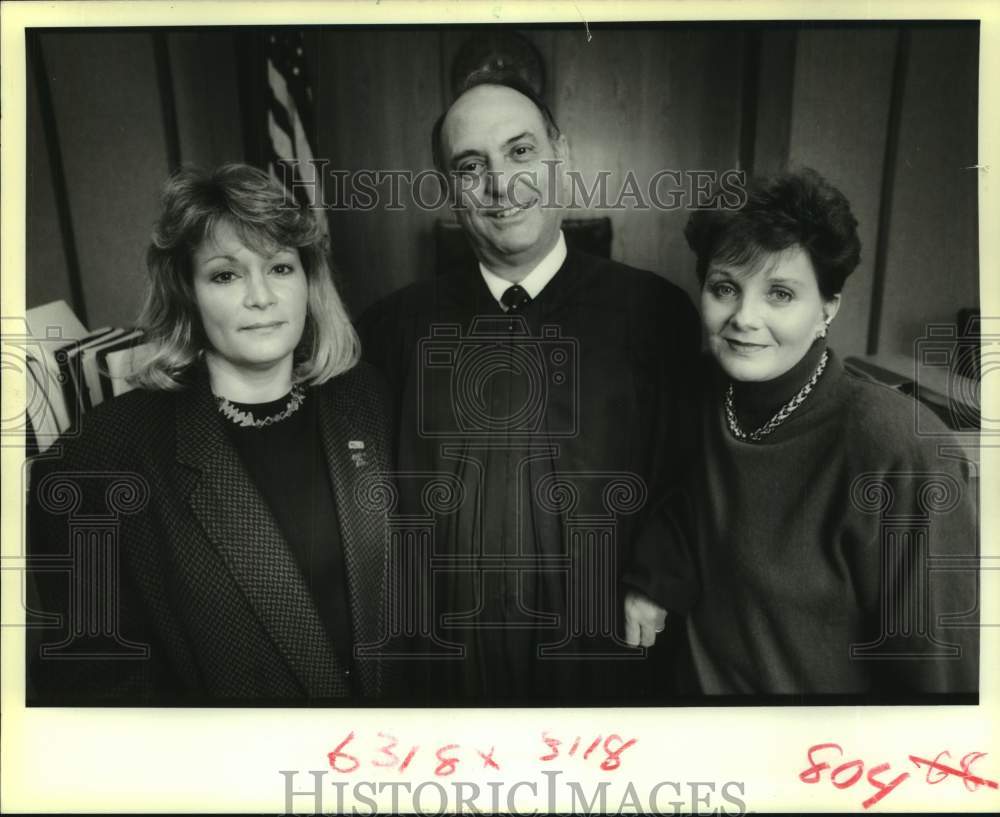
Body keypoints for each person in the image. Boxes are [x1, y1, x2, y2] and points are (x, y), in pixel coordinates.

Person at [358, 74, 701, 703]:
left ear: (560, 156)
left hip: (608, 651)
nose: (500, 184)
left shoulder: (655, 314)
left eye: (520, 152)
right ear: (448, 189)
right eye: (471, 166)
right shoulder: (391, 332)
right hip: (449, 662)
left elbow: (696, 471)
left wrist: (657, 579)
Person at [27, 163, 393, 704]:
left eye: (280, 268)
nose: (261, 297)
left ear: (309, 281)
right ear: (187, 293)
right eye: (226, 275)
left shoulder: (364, 399)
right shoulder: (97, 460)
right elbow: (101, 693)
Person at [624, 168, 979, 697]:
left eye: (781, 294)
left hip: (825, 763)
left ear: (826, 310)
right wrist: (651, 582)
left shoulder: (897, 447)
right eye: (725, 288)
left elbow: (941, 679)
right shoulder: (699, 395)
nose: (744, 317)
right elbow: (685, 504)